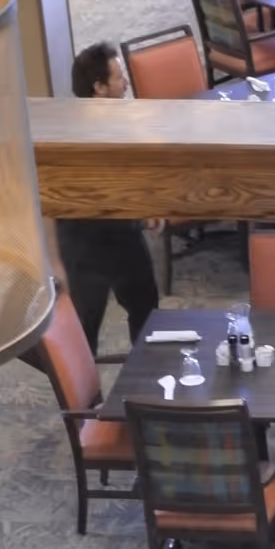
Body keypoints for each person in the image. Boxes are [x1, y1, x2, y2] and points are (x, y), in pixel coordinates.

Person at [54, 42, 160, 353]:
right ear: (99, 87)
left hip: (124, 233)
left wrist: (149, 205)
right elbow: (52, 202)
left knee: (146, 308)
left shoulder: (124, 121)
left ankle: (146, 379)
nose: (126, 83)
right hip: (83, 243)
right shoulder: (69, 138)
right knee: (85, 326)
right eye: (119, 78)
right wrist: (54, 260)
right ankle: (84, 400)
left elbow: (134, 173)